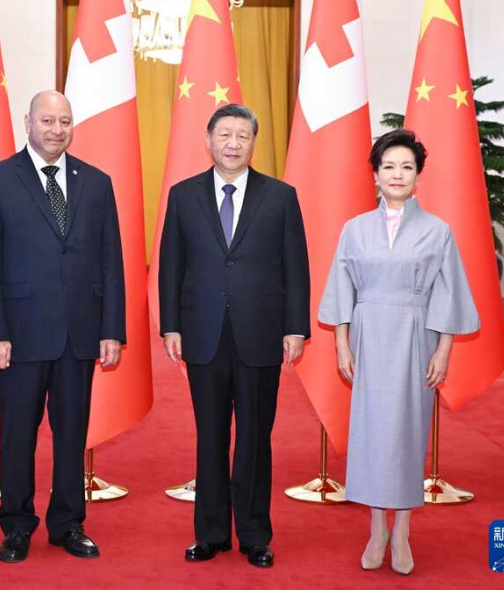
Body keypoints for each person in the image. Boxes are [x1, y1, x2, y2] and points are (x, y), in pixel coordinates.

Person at [0, 90, 125, 563]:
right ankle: (16, 526)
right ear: (28, 122)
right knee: (18, 434)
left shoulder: (96, 183)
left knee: (72, 434)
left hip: (79, 333)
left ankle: (68, 523)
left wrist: (111, 329)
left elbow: (111, 261)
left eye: (65, 121)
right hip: (19, 335)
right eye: (48, 121)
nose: (57, 130)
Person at [319, 129, 480, 575]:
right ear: (375, 174)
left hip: (416, 337)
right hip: (368, 338)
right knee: (371, 433)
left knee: (408, 433)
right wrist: (341, 343)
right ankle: (377, 530)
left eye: (406, 166)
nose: (397, 174)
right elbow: (342, 288)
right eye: (388, 166)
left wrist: (443, 351)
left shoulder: (438, 231)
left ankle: (403, 531)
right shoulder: (354, 229)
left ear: (417, 176)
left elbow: (449, 294)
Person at [158, 104, 310, 568]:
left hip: (261, 333)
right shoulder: (183, 195)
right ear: (209, 141)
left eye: (243, 135)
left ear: (253, 143)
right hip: (202, 332)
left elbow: (296, 266)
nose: (233, 143)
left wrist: (296, 327)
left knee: (254, 438)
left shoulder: (280, 196)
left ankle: (254, 534)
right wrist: (170, 325)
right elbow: (171, 265)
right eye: (225, 134)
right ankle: (210, 533)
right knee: (209, 436)